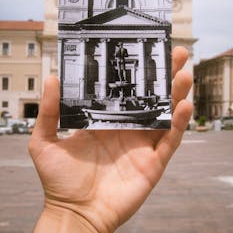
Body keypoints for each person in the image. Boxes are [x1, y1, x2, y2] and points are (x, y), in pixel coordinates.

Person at [29, 46, 193, 233]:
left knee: (122, 75)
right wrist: (70, 210)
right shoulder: (116, 54)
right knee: (120, 74)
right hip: (120, 66)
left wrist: (70, 214)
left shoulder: (125, 53)